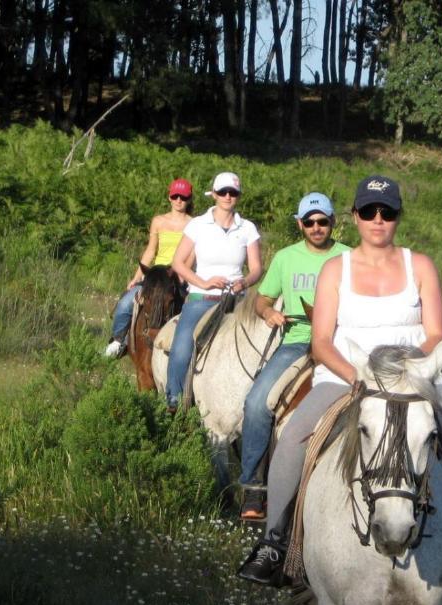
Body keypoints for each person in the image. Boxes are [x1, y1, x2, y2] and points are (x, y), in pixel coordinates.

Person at [238, 174, 442, 594]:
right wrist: (361, 379)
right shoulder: (335, 269)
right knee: (295, 438)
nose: (378, 219)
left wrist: (404, 377)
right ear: (355, 216)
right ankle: (274, 542)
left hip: (413, 380)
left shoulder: (419, 265)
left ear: (398, 217)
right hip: (346, 378)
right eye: (369, 211)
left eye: (388, 212)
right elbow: (322, 341)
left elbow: (436, 333)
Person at [238, 192, 351, 521]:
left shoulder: (349, 257)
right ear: (300, 224)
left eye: (323, 221)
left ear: (333, 223)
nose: (316, 228)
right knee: (256, 402)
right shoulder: (286, 258)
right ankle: (254, 489)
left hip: (341, 342)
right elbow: (262, 299)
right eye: (309, 222)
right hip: (298, 340)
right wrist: (269, 312)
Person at [165, 171, 263, 410]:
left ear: (238, 196)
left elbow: (257, 268)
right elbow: (178, 263)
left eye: (233, 193)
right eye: (223, 192)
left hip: (238, 298)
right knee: (182, 346)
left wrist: (245, 282)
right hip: (203, 297)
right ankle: (173, 400)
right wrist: (203, 282)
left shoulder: (247, 228)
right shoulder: (198, 224)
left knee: (263, 342)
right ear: (214, 195)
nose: (228, 197)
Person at [105, 178, 193, 358]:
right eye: (175, 196)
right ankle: (118, 340)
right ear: (169, 197)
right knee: (125, 303)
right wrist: (137, 277)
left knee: (192, 306)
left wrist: (183, 274)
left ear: (189, 199)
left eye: (183, 197)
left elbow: (193, 253)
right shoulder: (158, 221)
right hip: (157, 274)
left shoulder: (194, 223)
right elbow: (150, 250)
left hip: (181, 273)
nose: (178, 200)